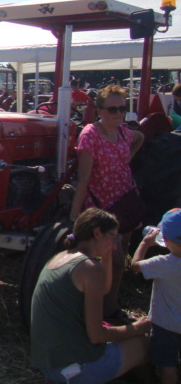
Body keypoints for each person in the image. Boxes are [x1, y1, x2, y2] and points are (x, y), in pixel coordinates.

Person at [30, 209, 151, 384]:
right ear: (96, 233)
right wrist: (136, 328)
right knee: (147, 344)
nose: (115, 243)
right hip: (72, 369)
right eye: (113, 237)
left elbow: (103, 290)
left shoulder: (63, 256)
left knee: (126, 334)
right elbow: (97, 335)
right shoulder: (89, 269)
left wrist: (108, 255)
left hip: (48, 362)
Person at [70, 84, 145, 323]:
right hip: (104, 207)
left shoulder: (124, 133)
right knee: (115, 260)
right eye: (112, 108)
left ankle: (109, 307)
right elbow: (83, 178)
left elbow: (141, 137)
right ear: (100, 110)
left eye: (122, 108)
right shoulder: (90, 135)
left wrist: (125, 161)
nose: (118, 113)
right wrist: (74, 216)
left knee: (120, 258)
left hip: (125, 200)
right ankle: (105, 311)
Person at [131, 208, 181, 384]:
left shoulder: (164, 264)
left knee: (167, 363)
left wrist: (144, 244)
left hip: (167, 325)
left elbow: (135, 266)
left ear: (166, 240)